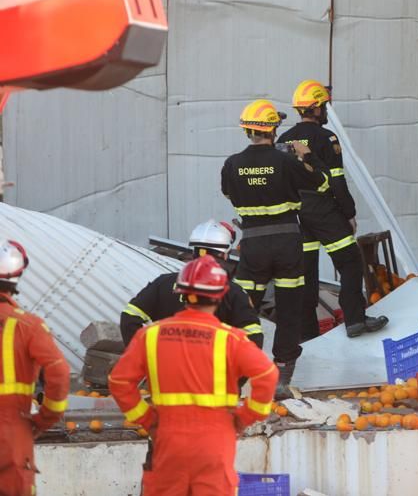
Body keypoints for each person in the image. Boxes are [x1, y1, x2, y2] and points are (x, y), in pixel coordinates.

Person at [109, 256, 279, 496]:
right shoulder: (230, 339)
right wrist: (244, 417)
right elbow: (267, 375)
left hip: (168, 439)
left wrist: (147, 419)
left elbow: (119, 381)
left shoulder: (151, 335)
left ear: (183, 293)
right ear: (220, 296)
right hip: (215, 441)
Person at [221, 98, 328, 395]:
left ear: (248, 132)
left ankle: (236, 372)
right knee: (290, 307)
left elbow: (229, 193)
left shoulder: (232, 164)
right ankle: (281, 377)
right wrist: (307, 157)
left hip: (253, 244)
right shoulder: (286, 162)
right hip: (287, 243)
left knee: (242, 307)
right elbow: (320, 183)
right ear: (273, 129)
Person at [277, 79, 387, 339]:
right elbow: (336, 178)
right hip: (323, 210)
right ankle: (355, 320)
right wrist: (348, 212)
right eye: (323, 105)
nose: (325, 110)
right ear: (315, 108)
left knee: (306, 274)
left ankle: (308, 334)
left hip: (296, 214)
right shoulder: (327, 137)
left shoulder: (283, 139)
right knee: (349, 262)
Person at [121, 219, 263, 348]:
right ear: (224, 254)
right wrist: (234, 375)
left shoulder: (163, 283)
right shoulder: (234, 293)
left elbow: (129, 318)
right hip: (212, 374)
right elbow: (254, 337)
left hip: (164, 373)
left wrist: (146, 358)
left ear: (193, 252)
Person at [0, 240, 70, 496]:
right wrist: (44, 419)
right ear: (15, 278)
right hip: (11, 431)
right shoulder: (27, 326)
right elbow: (59, 372)